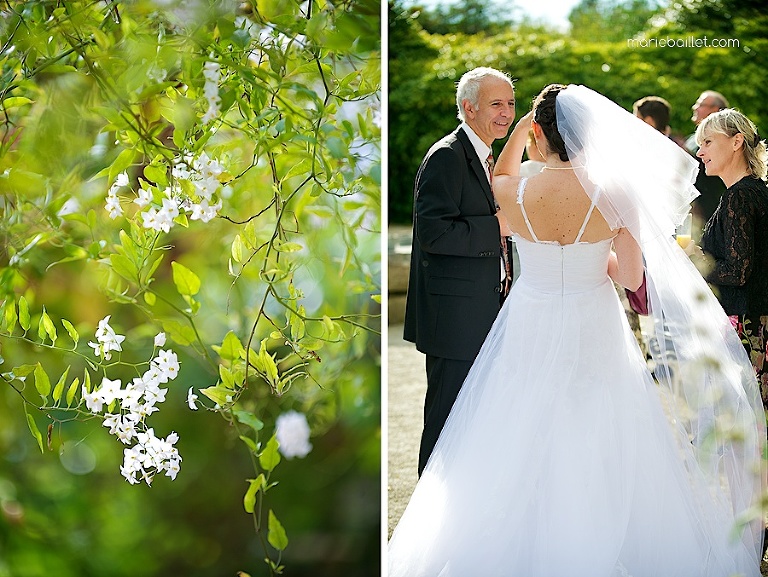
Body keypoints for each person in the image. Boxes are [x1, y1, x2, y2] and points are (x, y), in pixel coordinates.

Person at [388, 84, 765, 576]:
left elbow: (498, 170)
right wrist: (593, 259)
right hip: (593, 319)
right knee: (601, 423)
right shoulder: (614, 193)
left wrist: (526, 123)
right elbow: (631, 278)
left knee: (518, 421)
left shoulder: (514, 188)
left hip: (529, 317)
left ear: (540, 133)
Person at [402, 67, 516, 476]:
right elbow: (433, 232)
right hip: (454, 317)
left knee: (474, 417)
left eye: (510, 104)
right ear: (468, 108)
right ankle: (426, 522)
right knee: (446, 419)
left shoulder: (485, 155)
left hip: (483, 308)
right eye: (496, 104)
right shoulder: (447, 156)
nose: (506, 113)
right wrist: (496, 227)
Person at [693, 108, 768, 408]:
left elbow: (738, 271)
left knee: (747, 417)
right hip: (756, 324)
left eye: (708, 142)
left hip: (747, 330)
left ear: (736, 142)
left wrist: (697, 263)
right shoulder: (755, 192)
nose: (700, 152)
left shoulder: (739, 196)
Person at [685, 90, 730, 224]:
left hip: (711, 212)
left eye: (701, 104)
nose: (695, 107)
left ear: (715, 109)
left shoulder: (724, 140)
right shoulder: (691, 139)